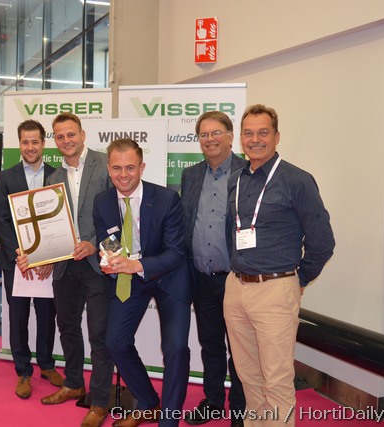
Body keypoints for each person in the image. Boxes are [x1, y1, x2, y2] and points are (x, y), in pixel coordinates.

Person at [224, 104, 335, 427]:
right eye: (248, 133)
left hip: (275, 288)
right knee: (248, 375)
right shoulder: (236, 179)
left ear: (277, 136)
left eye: (263, 132)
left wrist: (299, 279)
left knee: (277, 378)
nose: (255, 139)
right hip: (236, 287)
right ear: (240, 138)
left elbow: (322, 241)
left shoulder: (297, 180)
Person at [16, 113, 114, 427]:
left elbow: (119, 214)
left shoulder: (105, 164)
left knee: (99, 334)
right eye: (60, 136)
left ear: (82, 135)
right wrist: (38, 254)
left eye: (71, 134)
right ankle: (73, 383)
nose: (66, 140)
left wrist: (94, 244)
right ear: (54, 141)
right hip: (64, 267)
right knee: (68, 327)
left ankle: (99, 401)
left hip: (97, 265)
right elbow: (48, 227)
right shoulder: (53, 178)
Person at [93, 139, 191, 427]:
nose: (123, 175)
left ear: (142, 167)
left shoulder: (166, 199)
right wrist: (109, 260)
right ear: (108, 169)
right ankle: (149, 403)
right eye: (117, 168)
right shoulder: (102, 201)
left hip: (169, 277)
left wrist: (137, 265)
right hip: (129, 277)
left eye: (130, 168)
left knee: (175, 348)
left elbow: (176, 253)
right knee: (115, 342)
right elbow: (107, 241)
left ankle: (169, 421)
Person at [181, 111, 246, 426]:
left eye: (216, 133)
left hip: (237, 279)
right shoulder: (191, 175)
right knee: (210, 344)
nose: (210, 139)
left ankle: (241, 408)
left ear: (230, 136)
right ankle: (213, 401)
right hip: (201, 278)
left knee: (240, 348)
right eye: (204, 135)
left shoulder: (248, 172)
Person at [0, 119, 62, 399]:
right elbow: (0, 218)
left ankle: (46, 364)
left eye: (35, 141)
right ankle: (23, 370)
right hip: (16, 261)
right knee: (18, 316)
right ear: (19, 144)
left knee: (47, 315)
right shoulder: (6, 178)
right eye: (25, 142)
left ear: (43, 144)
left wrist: (47, 256)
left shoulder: (58, 175)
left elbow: (60, 219)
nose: (30, 147)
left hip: (48, 262)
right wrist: (20, 253)